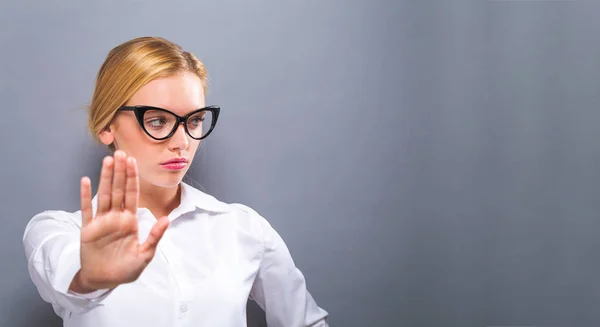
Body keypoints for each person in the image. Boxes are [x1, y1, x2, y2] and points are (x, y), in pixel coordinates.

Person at [22, 36, 329, 327]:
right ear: (106, 126)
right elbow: (64, 279)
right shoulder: (56, 231)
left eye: (194, 120)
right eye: (158, 120)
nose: (182, 141)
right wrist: (89, 278)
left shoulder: (244, 228)